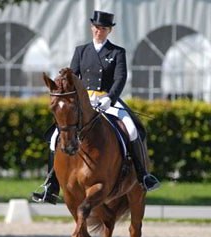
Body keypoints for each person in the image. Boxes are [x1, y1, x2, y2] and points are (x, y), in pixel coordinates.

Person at [32, 10, 160, 204]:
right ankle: (51, 184)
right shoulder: (81, 51)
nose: (99, 31)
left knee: (133, 129)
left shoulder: (117, 52)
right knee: (54, 138)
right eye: (97, 28)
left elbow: (120, 78)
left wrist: (110, 98)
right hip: (84, 101)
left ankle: (143, 176)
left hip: (108, 100)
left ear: (109, 31)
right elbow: (72, 78)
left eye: (103, 29)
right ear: (92, 28)